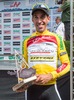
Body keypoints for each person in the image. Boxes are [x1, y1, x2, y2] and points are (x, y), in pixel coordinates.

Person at [16, 3, 70, 100]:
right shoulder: (26, 41)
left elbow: (66, 64)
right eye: (36, 17)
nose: (39, 21)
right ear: (32, 19)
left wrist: (50, 75)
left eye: (42, 17)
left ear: (48, 18)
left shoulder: (57, 38)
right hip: (32, 89)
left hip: (51, 88)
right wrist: (22, 82)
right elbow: (24, 67)